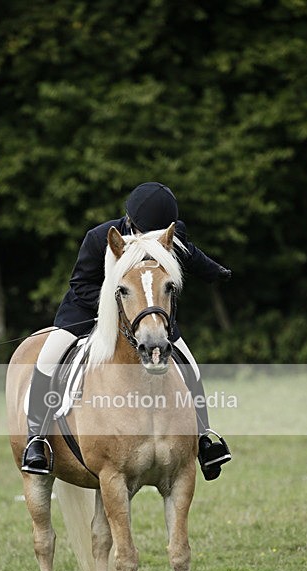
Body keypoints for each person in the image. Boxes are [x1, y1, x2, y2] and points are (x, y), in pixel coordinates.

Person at [22, 182, 232, 480]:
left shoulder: (167, 235)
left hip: (147, 314)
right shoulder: (99, 238)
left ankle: (204, 438)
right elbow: (80, 284)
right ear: (131, 221)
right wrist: (115, 307)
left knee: (189, 365)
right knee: (48, 358)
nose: (153, 241)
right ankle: (37, 439)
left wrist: (217, 272)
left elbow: (191, 255)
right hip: (88, 311)